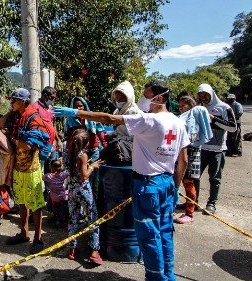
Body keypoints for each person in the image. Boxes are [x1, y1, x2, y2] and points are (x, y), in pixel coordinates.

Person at [54, 87, 190, 281]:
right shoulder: (178, 122)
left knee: (150, 237)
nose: (144, 100)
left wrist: (76, 112)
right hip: (167, 183)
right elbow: (183, 160)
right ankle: (168, 276)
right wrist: (175, 186)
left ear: (160, 97)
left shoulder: (149, 120)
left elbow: (109, 119)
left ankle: (157, 279)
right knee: (165, 232)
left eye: (148, 95)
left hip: (148, 185)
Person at [0, 88, 51, 254]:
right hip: (18, 168)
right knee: (21, 202)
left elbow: (28, 145)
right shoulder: (15, 116)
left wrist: (13, 138)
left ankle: (38, 239)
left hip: (30, 169)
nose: (11, 102)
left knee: (35, 205)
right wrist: (10, 112)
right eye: (12, 99)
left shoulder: (33, 118)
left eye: (14, 100)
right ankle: (23, 233)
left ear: (24, 102)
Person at [196, 84, 237, 214]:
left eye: (206, 95)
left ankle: (211, 204)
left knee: (214, 178)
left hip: (217, 149)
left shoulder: (225, 107)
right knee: (194, 176)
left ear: (211, 93)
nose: (204, 98)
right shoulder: (200, 108)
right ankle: (192, 202)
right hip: (201, 148)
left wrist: (214, 119)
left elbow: (233, 127)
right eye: (201, 96)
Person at [65, 129, 103, 264]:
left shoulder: (68, 152)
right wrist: (92, 166)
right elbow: (84, 176)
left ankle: (72, 249)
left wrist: (86, 163)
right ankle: (94, 251)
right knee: (92, 218)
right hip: (83, 191)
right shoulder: (83, 155)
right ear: (86, 143)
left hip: (71, 190)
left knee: (73, 218)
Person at [175, 96, 213, 224]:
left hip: (191, 153)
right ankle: (187, 206)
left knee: (188, 182)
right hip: (185, 152)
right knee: (183, 181)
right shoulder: (186, 118)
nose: (180, 109)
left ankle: (189, 213)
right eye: (179, 106)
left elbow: (192, 137)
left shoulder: (193, 119)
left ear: (190, 106)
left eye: (183, 106)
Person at [42, 158, 69, 228]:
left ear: (51, 168)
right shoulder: (63, 175)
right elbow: (68, 173)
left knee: (56, 208)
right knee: (60, 208)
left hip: (54, 197)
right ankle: (61, 220)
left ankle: (58, 220)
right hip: (61, 196)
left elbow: (43, 177)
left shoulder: (49, 176)